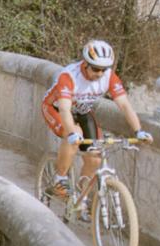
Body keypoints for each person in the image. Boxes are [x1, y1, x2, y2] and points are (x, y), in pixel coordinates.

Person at [41, 39, 153, 221]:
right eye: (95, 69)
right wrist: (71, 133)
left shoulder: (109, 77)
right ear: (85, 64)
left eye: (104, 69)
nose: (99, 74)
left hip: (83, 111)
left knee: (94, 157)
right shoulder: (68, 76)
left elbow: (124, 105)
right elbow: (64, 109)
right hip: (55, 108)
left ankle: (81, 200)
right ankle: (59, 179)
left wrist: (138, 131)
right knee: (73, 133)